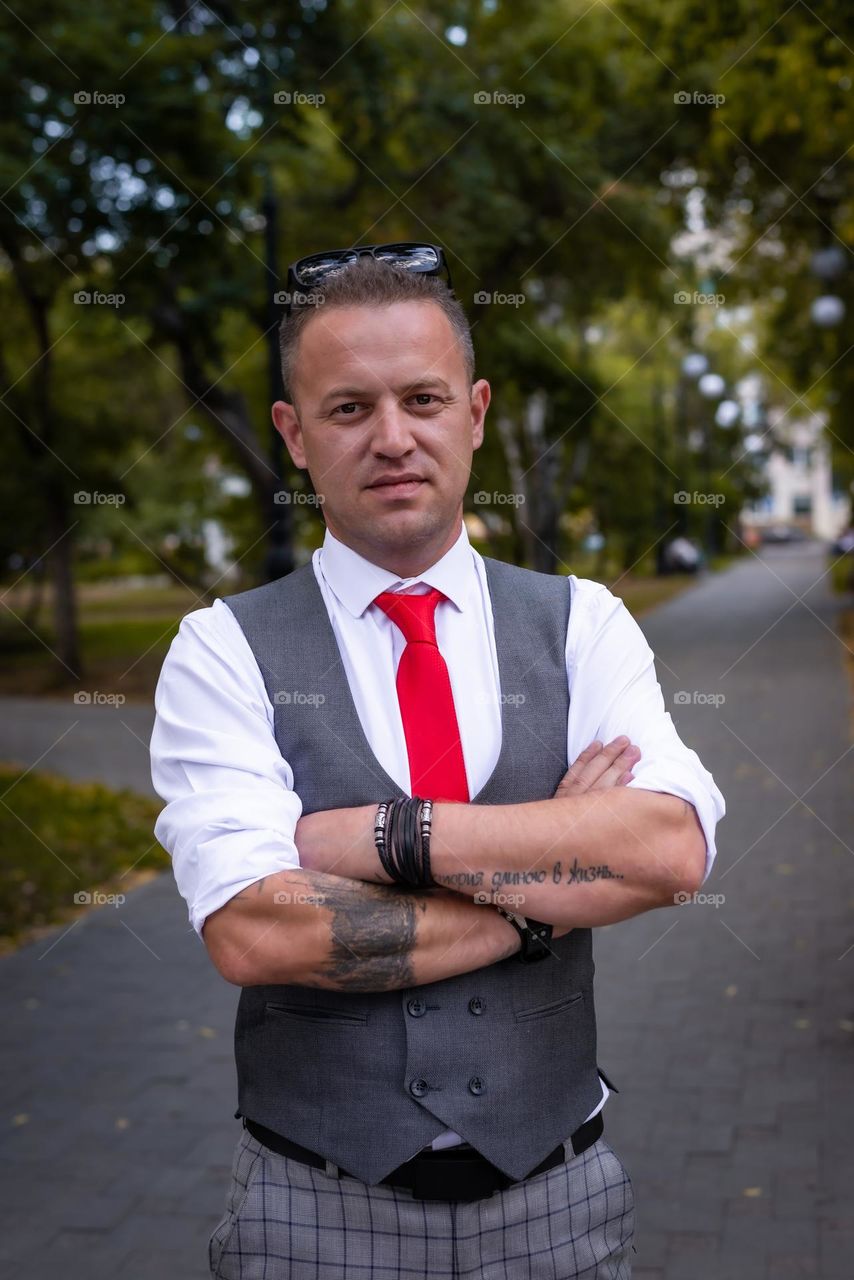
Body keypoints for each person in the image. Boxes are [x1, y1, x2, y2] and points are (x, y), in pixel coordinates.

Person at [150, 243, 725, 1279]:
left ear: (474, 409)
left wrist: (381, 836)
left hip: (556, 1202)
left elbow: (668, 848)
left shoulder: (579, 622)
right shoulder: (220, 647)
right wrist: (540, 889)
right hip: (310, 1213)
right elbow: (253, 926)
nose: (392, 437)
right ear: (291, 433)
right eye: (347, 408)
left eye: (421, 398)